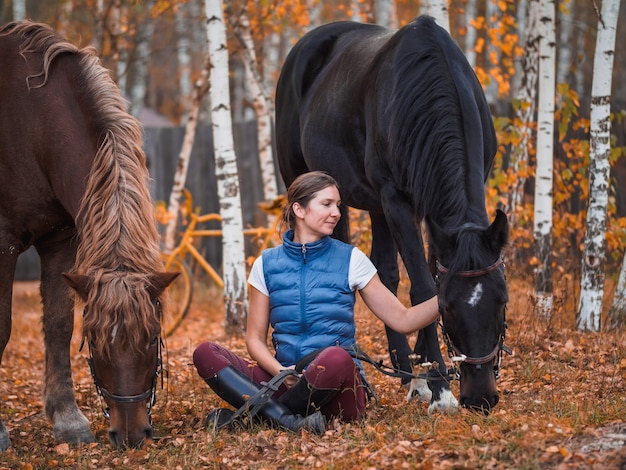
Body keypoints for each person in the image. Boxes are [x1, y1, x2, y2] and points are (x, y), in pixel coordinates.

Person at [193, 171, 438, 434]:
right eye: (327, 204)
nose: (336, 213)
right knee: (206, 353)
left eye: (338, 205)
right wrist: (281, 372)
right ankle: (289, 421)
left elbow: (403, 320)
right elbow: (254, 339)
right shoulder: (266, 264)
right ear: (299, 209)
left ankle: (268, 415)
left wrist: (447, 296)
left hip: (338, 388)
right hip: (285, 378)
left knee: (335, 357)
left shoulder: (351, 259)